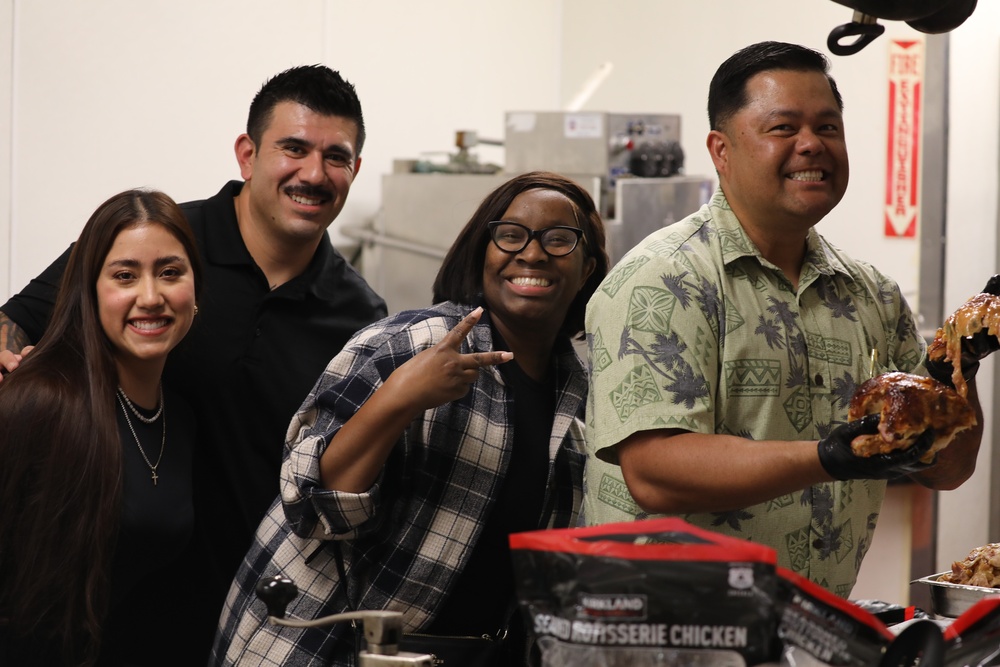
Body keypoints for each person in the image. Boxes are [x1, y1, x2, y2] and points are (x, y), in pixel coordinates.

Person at [0, 65, 387, 658]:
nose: (314, 173)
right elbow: (17, 318)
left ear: (354, 170)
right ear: (247, 154)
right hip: (93, 613)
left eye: (336, 156)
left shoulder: (360, 316)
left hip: (254, 623)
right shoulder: (159, 243)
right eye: (294, 148)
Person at [581, 41, 992, 598]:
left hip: (811, 631)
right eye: (783, 128)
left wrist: (956, 362)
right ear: (721, 150)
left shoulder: (872, 293)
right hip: (661, 633)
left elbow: (944, 469)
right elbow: (655, 470)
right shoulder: (663, 279)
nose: (811, 146)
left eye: (828, 127)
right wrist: (829, 457)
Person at [210, 171, 609, 666]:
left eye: (558, 240)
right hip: (317, 646)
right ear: (482, 252)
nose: (531, 253)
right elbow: (313, 507)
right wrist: (399, 398)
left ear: (588, 266)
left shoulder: (584, 396)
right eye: (510, 235)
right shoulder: (411, 343)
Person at [0, 189, 201, 666]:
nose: (150, 297)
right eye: (125, 276)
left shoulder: (183, 418)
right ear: (89, 291)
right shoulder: (43, 403)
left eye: (170, 272)